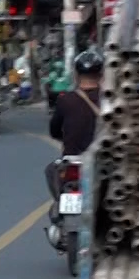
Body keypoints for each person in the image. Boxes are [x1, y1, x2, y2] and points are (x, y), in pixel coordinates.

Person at [46, 50, 103, 199]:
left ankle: (60, 208)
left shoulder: (65, 100)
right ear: (101, 75)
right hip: (103, 160)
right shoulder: (109, 101)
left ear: (76, 75)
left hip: (73, 160)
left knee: (51, 171)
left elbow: (54, 131)